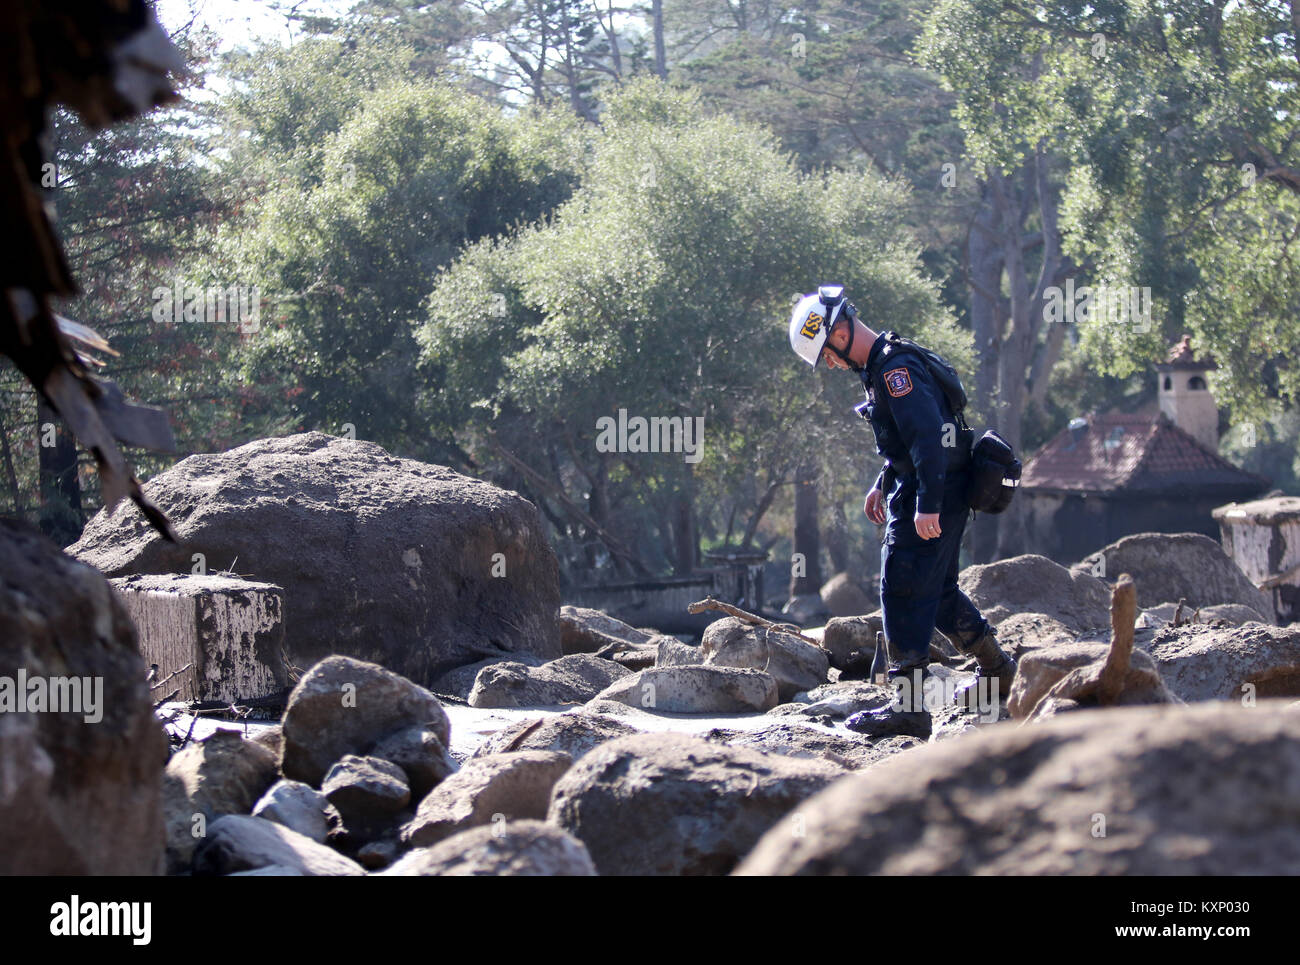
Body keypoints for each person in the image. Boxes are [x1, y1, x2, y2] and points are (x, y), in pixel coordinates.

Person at [787, 285, 1016, 737]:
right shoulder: (887, 364)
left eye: (827, 354)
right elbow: (909, 444)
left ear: (838, 331)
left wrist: (926, 505)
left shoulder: (895, 370)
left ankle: (910, 709)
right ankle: (997, 669)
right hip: (936, 490)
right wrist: (882, 481)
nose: (830, 364)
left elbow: (930, 438)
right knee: (939, 593)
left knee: (901, 592)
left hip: (930, 496)